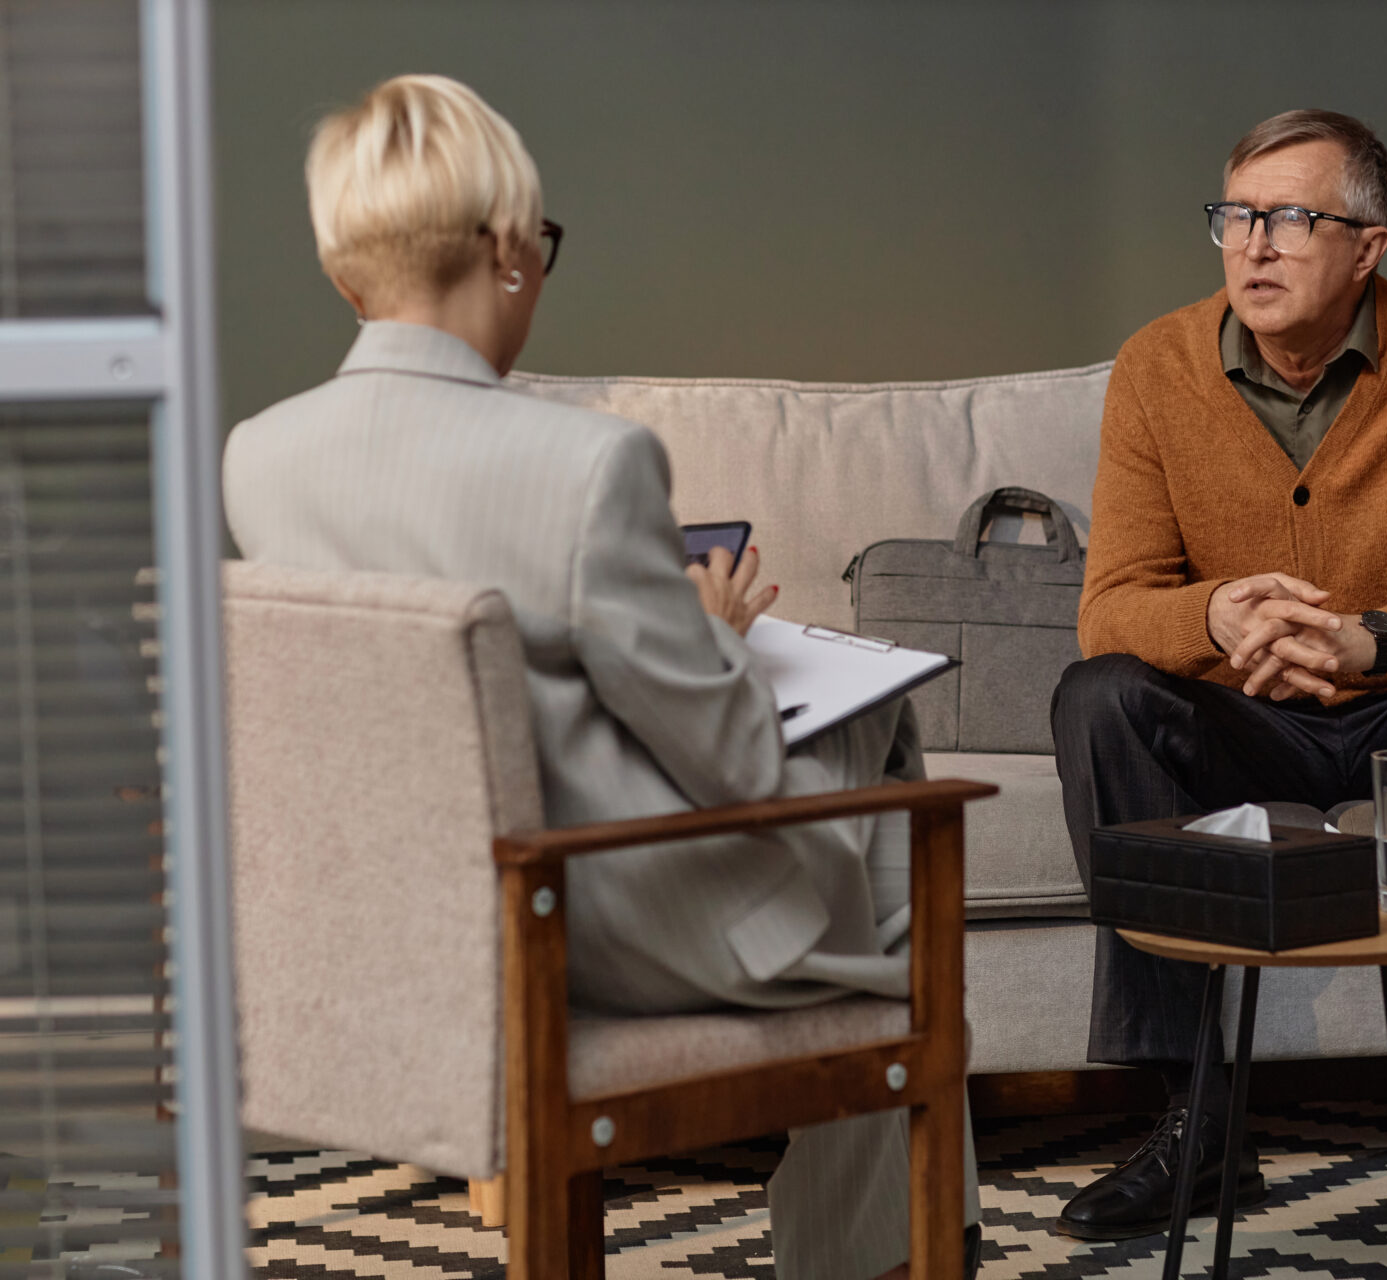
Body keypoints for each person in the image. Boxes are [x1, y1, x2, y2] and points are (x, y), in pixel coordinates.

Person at [221, 74, 979, 1280]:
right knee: (889, 789)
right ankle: (878, 1250)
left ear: (343, 270)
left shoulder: (257, 459)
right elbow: (732, 761)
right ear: (512, 251)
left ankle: (877, 1235)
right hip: (601, 929)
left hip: (407, 930)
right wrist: (719, 629)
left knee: (872, 840)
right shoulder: (587, 466)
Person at [1049, 108, 1387, 1240]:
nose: (1253, 243)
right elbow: (1108, 608)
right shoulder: (1157, 366)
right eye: (1235, 215)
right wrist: (1213, 609)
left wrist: (1383, 638)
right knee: (1097, 695)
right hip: (1248, 714)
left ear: (1369, 242)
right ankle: (1196, 1115)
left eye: (1291, 217)